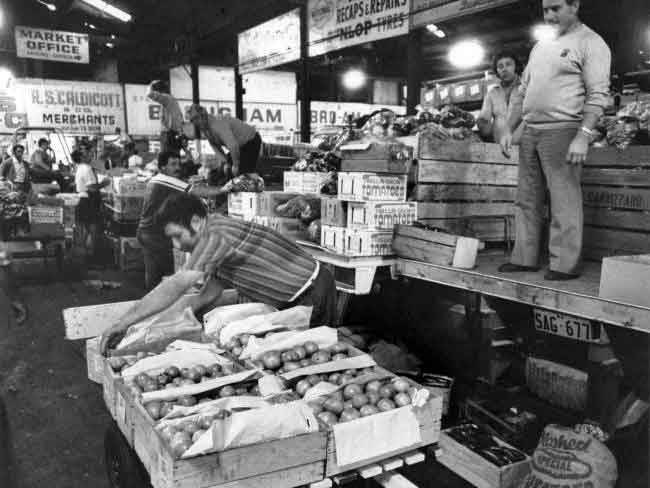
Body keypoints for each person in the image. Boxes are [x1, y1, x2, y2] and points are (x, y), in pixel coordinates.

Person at [100, 192, 337, 353]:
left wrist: (123, 323)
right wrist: (179, 319)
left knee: (310, 355)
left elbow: (177, 284)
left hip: (312, 292)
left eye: (177, 236)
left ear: (195, 222)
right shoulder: (215, 233)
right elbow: (211, 289)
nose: (176, 245)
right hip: (296, 296)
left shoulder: (215, 235)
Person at [498, 0, 611, 280]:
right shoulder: (541, 46)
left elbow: (598, 94)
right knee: (526, 199)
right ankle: (525, 258)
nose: (548, 16)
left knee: (564, 200)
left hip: (564, 130)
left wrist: (583, 136)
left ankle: (564, 264)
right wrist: (507, 129)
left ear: (575, 5)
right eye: (545, 9)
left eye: (556, 8)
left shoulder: (591, 43)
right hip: (530, 131)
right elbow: (522, 90)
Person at [137, 151, 189, 290]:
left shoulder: (157, 180)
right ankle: (163, 305)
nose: (178, 167)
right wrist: (223, 189)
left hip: (145, 232)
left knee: (153, 274)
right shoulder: (166, 181)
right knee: (168, 275)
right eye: (173, 164)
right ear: (162, 167)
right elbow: (196, 191)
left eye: (179, 164)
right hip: (155, 235)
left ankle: (151, 305)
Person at [188, 104, 262, 178]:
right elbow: (215, 146)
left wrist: (235, 165)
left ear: (203, 116)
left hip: (251, 141)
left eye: (197, 120)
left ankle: (257, 178)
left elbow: (233, 146)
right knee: (225, 172)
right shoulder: (204, 127)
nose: (196, 124)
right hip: (240, 146)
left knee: (241, 174)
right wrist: (225, 162)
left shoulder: (217, 124)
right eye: (194, 122)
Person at [477, 50, 524, 143]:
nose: (504, 69)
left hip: (524, 144)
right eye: (500, 66)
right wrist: (482, 122)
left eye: (508, 64)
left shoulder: (526, 87)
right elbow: (484, 119)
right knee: (499, 120)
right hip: (500, 145)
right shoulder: (492, 93)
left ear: (516, 67)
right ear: (497, 71)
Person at [74, 149, 110, 264]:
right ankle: (90, 259)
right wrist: (105, 183)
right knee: (93, 230)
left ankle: (84, 259)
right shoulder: (86, 168)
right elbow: (92, 188)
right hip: (88, 202)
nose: (89, 155)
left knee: (86, 231)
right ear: (81, 157)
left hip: (83, 201)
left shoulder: (80, 167)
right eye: (86, 153)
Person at [147, 80, 185, 153]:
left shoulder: (166, 98)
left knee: (165, 156)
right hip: (177, 132)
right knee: (177, 154)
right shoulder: (172, 100)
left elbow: (149, 94)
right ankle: (197, 161)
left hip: (168, 133)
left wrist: (151, 84)